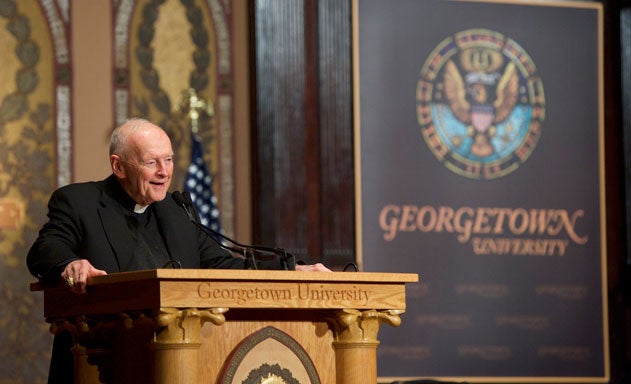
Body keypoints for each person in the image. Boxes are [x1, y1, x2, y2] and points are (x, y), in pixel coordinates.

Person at [27, 117, 330, 383]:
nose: (164, 172)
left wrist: (291, 270)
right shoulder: (80, 202)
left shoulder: (176, 211)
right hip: (102, 362)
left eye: (169, 160)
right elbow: (45, 249)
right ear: (118, 166)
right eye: (151, 162)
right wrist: (70, 264)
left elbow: (225, 266)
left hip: (179, 362)